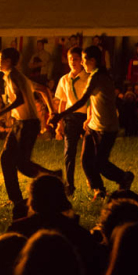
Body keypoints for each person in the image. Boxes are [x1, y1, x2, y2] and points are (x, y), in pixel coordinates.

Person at [49, 46, 135, 201]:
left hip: (106, 127)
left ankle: (124, 177)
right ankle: (98, 189)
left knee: (100, 163)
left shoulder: (97, 77)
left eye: (83, 59)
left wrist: (60, 115)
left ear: (93, 61)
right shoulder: (93, 76)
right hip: (93, 125)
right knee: (86, 161)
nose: (81, 63)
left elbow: (82, 100)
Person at [0, 47, 61, 204]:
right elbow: (43, 89)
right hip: (21, 123)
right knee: (7, 158)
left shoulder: (13, 76)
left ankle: (54, 178)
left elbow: (20, 99)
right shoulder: (17, 76)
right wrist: (51, 111)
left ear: (7, 61)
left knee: (22, 164)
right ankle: (16, 199)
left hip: (27, 124)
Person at [54, 47, 88, 196]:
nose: (73, 62)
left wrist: (91, 118)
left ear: (81, 60)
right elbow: (62, 101)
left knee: (89, 153)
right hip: (71, 118)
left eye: (75, 59)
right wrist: (59, 123)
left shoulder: (88, 77)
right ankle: (69, 185)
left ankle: (94, 183)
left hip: (86, 116)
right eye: (70, 59)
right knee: (69, 152)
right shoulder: (64, 79)